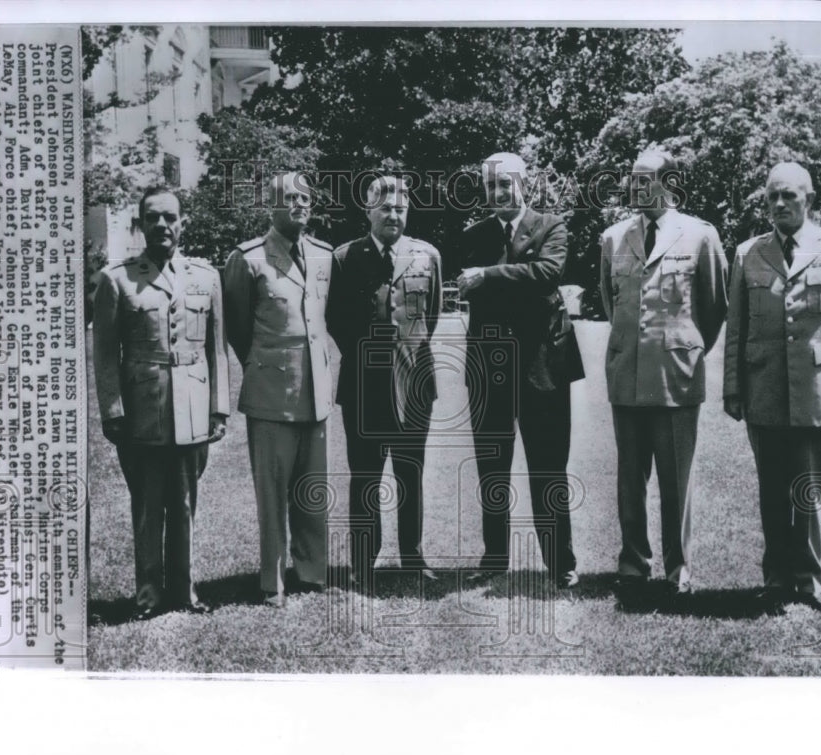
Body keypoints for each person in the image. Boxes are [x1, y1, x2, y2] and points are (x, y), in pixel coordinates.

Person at [723, 162, 821, 610]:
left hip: (817, 390)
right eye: (772, 197)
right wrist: (732, 388)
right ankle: (778, 580)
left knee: (811, 492)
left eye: (789, 196)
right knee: (771, 493)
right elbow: (736, 328)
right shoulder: (748, 252)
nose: (779, 204)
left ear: (809, 199)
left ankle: (810, 583)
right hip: (763, 387)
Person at [93, 186, 230, 619]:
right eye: (152, 218)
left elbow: (217, 349)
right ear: (140, 224)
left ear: (182, 222)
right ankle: (149, 597)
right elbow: (105, 356)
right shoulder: (117, 280)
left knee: (187, 502)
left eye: (170, 217)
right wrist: (113, 412)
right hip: (143, 410)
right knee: (149, 504)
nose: (162, 226)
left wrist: (219, 407)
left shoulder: (206, 277)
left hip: (192, 407)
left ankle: (185, 594)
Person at [599, 150, 728, 594]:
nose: (633, 187)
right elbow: (610, 302)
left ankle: (679, 568)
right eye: (631, 179)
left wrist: (682, 348)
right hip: (627, 376)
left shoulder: (699, 236)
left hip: (676, 378)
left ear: (667, 182)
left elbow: (712, 309)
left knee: (677, 482)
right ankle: (634, 563)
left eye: (643, 180)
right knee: (629, 482)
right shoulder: (614, 238)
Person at [457, 152, 585, 589]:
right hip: (490, 370)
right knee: (492, 469)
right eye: (491, 185)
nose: (498, 192)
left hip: (542, 369)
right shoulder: (474, 235)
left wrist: (489, 277)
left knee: (548, 468)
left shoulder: (551, 225)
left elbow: (548, 273)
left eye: (506, 184)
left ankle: (560, 562)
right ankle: (494, 559)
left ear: (524, 184)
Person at [327, 175, 443, 591]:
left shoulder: (426, 254)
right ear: (368, 211)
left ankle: (412, 556)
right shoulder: (345, 257)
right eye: (384, 207)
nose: (393, 214)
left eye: (400, 208)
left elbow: (431, 316)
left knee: (411, 472)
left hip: (415, 381)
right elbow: (336, 319)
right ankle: (363, 559)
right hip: (364, 385)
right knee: (365, 475)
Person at [223, 172, 333, 608]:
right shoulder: (248, 259)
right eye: (290, 198)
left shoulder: (324, 257)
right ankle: (273, 581)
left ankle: (311, 571)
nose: (300, 204)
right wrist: (270, 365)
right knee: (272, 492)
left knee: (312, 489)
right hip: (271, 394)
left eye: (305, 198)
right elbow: (238, 329)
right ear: (270, 207)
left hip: (316, 391)